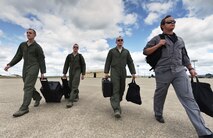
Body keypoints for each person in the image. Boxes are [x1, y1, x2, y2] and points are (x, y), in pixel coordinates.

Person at [143, 15, 213, 137]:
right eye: (169, 22)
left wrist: (190, 68)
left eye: (174, 21)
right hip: (162, 72)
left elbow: (185, 56)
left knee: (189, 99)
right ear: (162, 26)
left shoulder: (180, 40)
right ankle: (158, 113)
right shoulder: (157, 38)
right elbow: (145, 51)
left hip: (180, 71)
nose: (172, 23)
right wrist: (159, 44)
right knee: (160, 94)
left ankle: (204, 132)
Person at [4, 28, 46, 117]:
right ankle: (37, 97)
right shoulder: (22, 45)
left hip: (34, 67)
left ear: (34, 35)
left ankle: (24, 108)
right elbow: (18, 56)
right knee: (28, 86)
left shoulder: (37, 47)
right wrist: (10, 64)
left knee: (27, 86)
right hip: (25, 67)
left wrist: (42, 72)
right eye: (27, 33)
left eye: (30, 33)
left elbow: (41, 60)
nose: (28, 34)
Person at [104, 36, 136, 118]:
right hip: (114, 71)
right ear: (116, 42)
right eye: (118, 40)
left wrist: (133, 73)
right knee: (116, 88)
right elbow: (108, 61)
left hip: (123, 71)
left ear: (123, 42)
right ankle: (116, 109)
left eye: (121, 40)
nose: (120, 41)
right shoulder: (111, 51)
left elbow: (130, 62)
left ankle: (117, 100)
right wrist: (106, 72)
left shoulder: (126, 51)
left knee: (122, 88)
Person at [63, 43, 86, 108]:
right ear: (72, 48)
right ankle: (76, 95)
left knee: (74, 84)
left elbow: (83, 65)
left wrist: (83, 74)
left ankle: (70, 101)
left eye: (77, 47)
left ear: (78, 48)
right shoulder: (69, 56)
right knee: (70, 85)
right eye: (74, 47)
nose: (75, 48)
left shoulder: (80, 56)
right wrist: (64, 73)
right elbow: (66, 64)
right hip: (71, 72)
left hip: (77, 71)